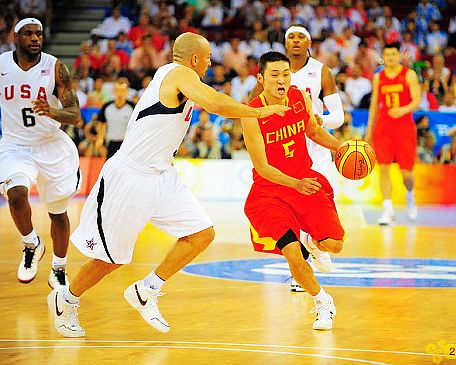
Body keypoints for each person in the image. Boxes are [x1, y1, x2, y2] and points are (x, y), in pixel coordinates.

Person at [46, 32, 290, 338]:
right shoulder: (178, 74)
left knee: (201, 234)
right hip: (130, 177)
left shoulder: (182, 78)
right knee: (110, 260)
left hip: (162, 176)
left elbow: (215, 99)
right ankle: (65, 300)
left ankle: (146, 290)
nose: (211, 62)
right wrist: (258, 111)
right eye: (208, 57)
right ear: (195, 59)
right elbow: (215, 104)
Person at [243, 51, 344, 330]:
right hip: (270, 192)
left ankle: (313, 241)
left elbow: (312, 131)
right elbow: (262, 168)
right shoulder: (251, 114)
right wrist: (295, 183)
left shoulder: (301, 97)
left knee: (334, 244)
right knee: (292, 253)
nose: (281, 80)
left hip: (305, 182)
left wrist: (340, 147)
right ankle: (323, 302)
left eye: (285, 74)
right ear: (261, 79)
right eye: (274, 75)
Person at [0, 18, 82, 288]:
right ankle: (31, 244)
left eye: (38, 34)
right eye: (28, 34)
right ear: (16, 37)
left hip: (50, 145)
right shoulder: (1, 66)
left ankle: (59, 267)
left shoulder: (56, 68)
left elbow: (75, 115)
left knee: (57, 213)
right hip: (15, 145)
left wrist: (53, 111)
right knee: (16, 196)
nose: (35, 38)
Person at [364, 42, 421, 225]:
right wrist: (369, 130)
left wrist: (403, 110)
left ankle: (410, 195)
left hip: (404, 127)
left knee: (407, 174)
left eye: (393, 54)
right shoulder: (378, 77)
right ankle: (388, 210)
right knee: (384, 168)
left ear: (399, 56)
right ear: (383, 56)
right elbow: (374, 105)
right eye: (387, 54)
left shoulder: (409, 74)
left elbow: (417, 101)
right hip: (384, 127)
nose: (390, 58)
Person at [96, 77, 135, 159]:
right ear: (113, 91)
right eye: (117, 90)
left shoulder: (133, 108)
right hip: (111, 144)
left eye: (123, 90)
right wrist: (100, 139)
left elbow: (136, 127)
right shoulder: (107, 107)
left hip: (126, 145)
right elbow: (101, 123)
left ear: (127, 92)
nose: (120, 93)